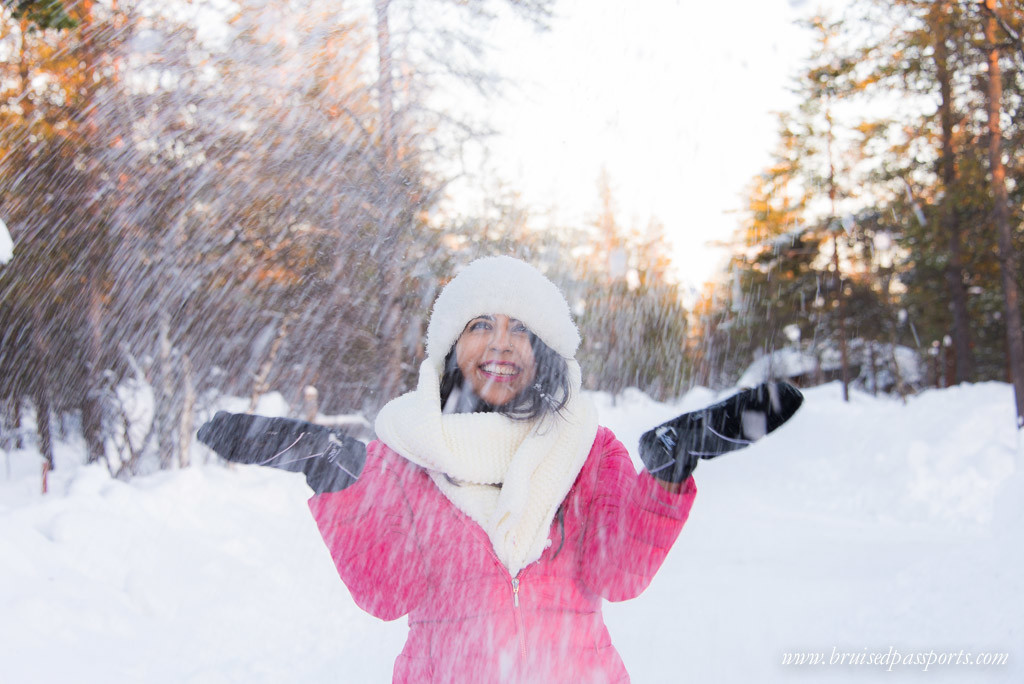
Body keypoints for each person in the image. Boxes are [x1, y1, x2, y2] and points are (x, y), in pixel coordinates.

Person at [198, 256, 802, 683]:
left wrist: (671, 470)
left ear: (545, 351)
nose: (500, 343)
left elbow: (619, 574)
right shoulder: (405, 456)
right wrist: (333, 476)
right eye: (480, 324)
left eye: (521, 328)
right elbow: (388, 593)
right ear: (449, 348)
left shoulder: (586, 448)